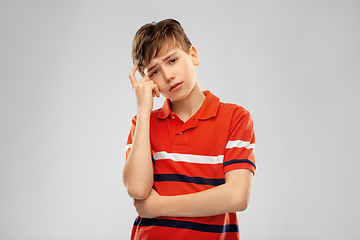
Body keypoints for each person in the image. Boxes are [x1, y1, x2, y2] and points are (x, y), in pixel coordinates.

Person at [123, 19, 256, 240]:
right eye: (154, 71)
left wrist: (159, 206)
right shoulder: (142, 124)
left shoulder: (235, 118)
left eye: (172, 60)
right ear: (148, 82)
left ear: (193, 55)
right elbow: (137, 190)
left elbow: (237, 196)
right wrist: (143, 110)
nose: (167, 76)